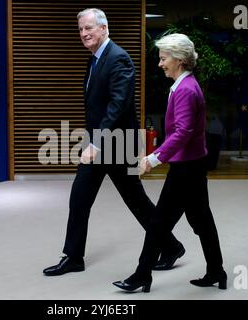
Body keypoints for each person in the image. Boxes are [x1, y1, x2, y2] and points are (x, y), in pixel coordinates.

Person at [43, 8, 185, 276]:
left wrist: (96, 143)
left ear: (104, 28)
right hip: (100, 143)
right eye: (81, 30)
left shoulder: (119, 58)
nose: (84, 34)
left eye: (89, 28)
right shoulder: (95, 59)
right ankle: (73, 256)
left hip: (118, 144)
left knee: (136, 200)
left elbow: (118, 105)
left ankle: (171, 246)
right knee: (80, 198)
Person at [113, 33, 226, 292]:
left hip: (186, 169)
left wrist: (154, 158)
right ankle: (216, 271)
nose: (160, 64)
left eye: (164, 58)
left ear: (179, 59)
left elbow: (183, 131)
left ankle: (142, 274)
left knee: (159, 223)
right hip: (192, 165)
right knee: (201, 221)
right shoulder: (186, 85)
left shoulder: (185, 89)